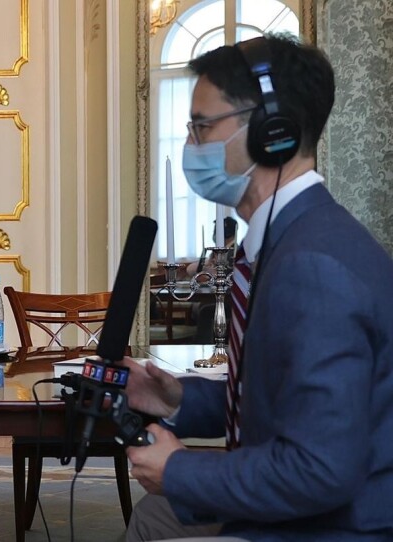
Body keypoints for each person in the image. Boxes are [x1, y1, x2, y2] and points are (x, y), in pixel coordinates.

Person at [123, 34, 393, 541]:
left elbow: (321, 468)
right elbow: (284, 397)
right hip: (305, 512)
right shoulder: (290, 238)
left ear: (273, 133)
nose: (190, 145)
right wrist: (177, 398)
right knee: (151, 518)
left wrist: (180, 472)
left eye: (202, 127)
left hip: (335, 528)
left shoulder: (313, 265)